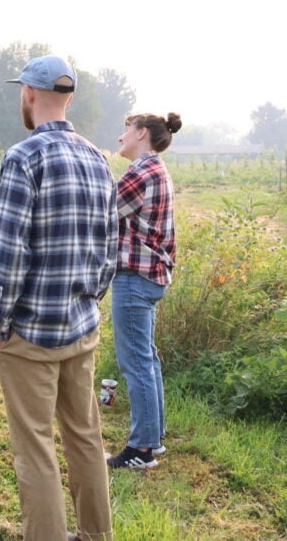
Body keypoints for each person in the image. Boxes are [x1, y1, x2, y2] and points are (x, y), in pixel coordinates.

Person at [0, 56, 117, 541]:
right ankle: (97, 536)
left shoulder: (24, 158)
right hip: (80, 328)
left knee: (35, 448)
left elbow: (7, 254)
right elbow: (109, 251)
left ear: (29, 94)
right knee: (85, 437)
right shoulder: (98, 158)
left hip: (30, 334)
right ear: (70, 98)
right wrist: (89, 302)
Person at [105, 112, 181, 470]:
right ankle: (154, 437)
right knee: (146, 360)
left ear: (141, 133)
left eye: (125, 130)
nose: (121, 138)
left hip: (135, 277)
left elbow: (102, 213)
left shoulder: (140, 172)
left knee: (135, 363)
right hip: (150, 276)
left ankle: (142, 450)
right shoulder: (157, 169)